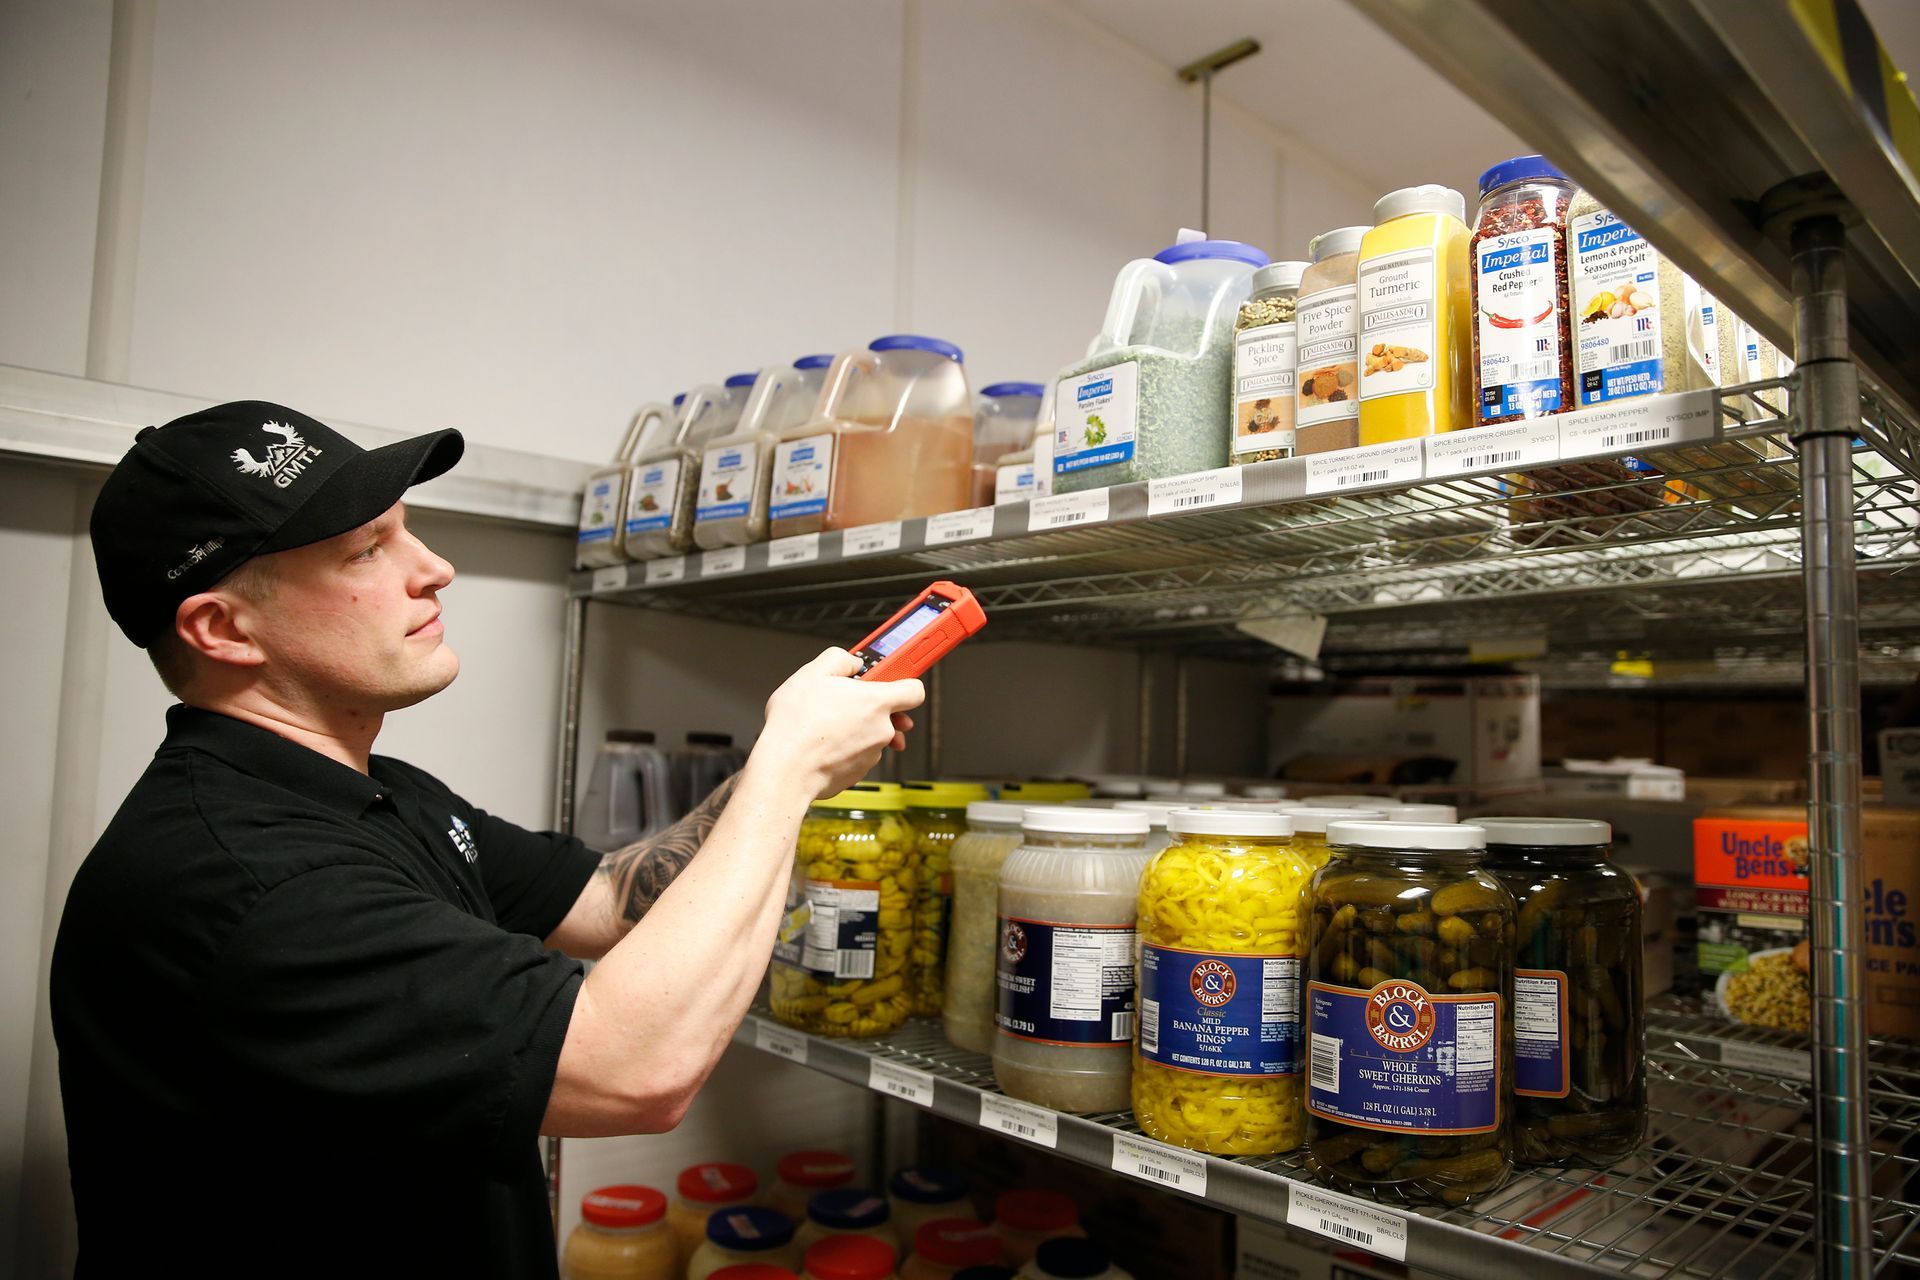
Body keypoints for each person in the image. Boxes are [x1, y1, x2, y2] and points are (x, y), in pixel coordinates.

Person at [50, 401, 924, 1277]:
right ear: (224, 629)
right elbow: (636, 1068)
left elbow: (616, 898)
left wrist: (801, 752)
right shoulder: (245, 880)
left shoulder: (370, 796)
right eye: (366, 549)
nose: (435, 568)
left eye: (408, 532)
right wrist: (787, 773)